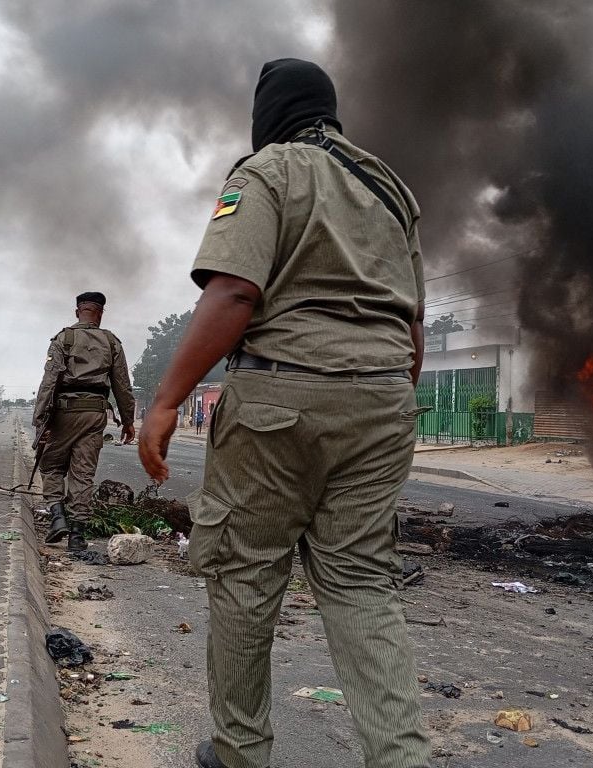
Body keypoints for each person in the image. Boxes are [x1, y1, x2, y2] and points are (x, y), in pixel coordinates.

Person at [138, 58, 430, 768]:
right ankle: (403, 760)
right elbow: (414, 325)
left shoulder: (267, 171)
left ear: (270, 113)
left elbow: (234, 292)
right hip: (385, 397)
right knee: (362, 583)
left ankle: (240, 755)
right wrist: (380, 396)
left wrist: (169, 399)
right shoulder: (389, 188)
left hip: (280, 399)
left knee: (245, 576)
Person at [34, 292, 136, 551]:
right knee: (83, 474)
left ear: (77, 311)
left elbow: (49, 382)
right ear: (100, 313)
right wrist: (128, 421)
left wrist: (40, 422)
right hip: (95, 413)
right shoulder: (111, 342)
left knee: (52, 466)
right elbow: (122, 386)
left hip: (64, 412)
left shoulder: (63, 339)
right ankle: (77, 536)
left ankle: (57, 517)